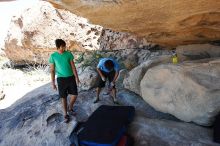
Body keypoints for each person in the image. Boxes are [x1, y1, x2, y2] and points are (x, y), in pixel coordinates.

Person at [49, 39, 80, 123]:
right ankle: (65, 114)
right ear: (58, 47)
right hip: (61, 79)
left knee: (75, 94)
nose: (64, 48)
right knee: (63, 97)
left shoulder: (68, 54)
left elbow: (73, 67)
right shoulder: (53, 56)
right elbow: (52, 70)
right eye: (62, 46)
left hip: (71, 77)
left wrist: (77, 78)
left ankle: (70, 107)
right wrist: (53, 83)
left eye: (64, 46)